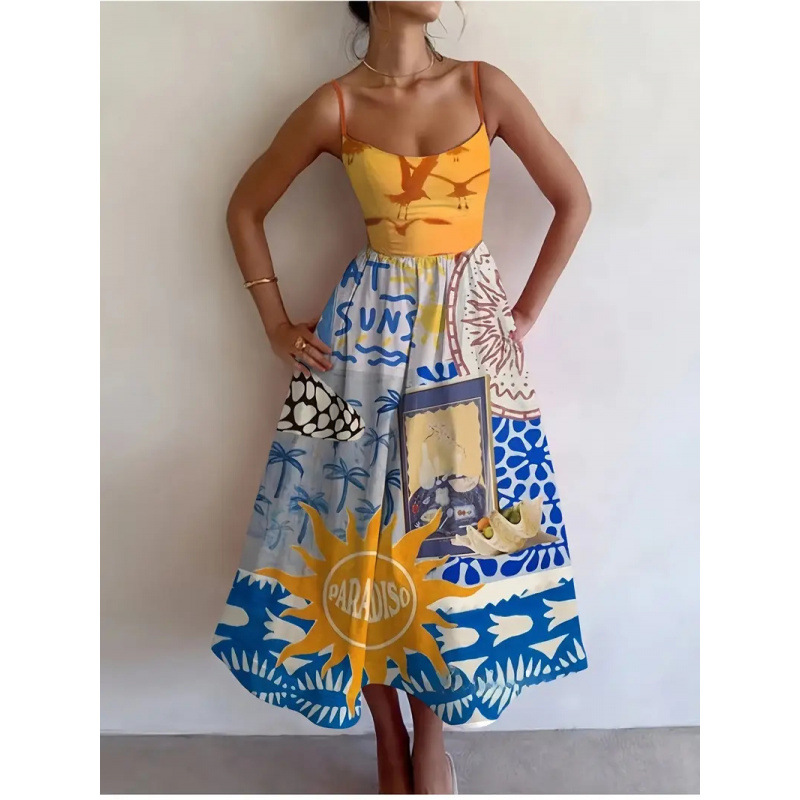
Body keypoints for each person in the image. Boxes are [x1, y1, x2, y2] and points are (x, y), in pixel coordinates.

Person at [213, 1, 591, 793]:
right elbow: (244, 208)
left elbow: (573, 199)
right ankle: (387, 732)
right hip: (363, 347)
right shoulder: (336, 105)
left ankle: (432, 739)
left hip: (462, 352)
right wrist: (275, 323)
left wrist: (520, 316)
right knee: (363, 538)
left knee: (452, 541)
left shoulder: (485, 87)